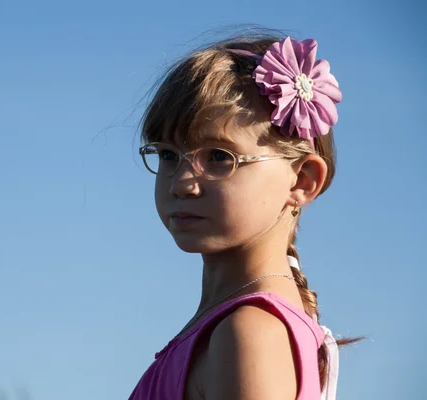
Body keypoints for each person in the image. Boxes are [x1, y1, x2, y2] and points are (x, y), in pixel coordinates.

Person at [128, 34, 358, 400]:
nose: (182, 184)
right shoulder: (233, 327)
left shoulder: (250, 333)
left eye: (219, 157)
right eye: (168, 155)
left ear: (302, 180)